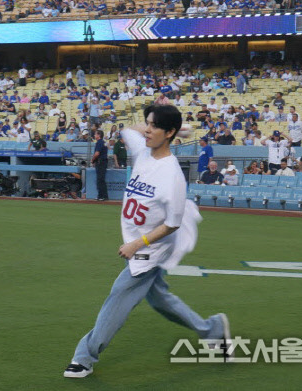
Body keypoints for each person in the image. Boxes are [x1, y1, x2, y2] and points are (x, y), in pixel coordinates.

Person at [64, 104, 230, 378]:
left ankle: (84, 357)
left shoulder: (172, 176)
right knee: (160, 299)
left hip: (151, 249)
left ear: (169, 133)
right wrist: (170, 129)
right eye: (148, 124)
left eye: (154, 126)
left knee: (118, 298)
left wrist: (137, 244)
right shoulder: (144, 151)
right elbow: (129, 129)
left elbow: (172, 223)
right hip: (141, 241)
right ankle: (211, 330)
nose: (148, 130)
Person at [91, 130, 108, 201]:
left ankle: (101, 195)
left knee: (100, 180)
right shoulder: (103, 142)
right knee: (101, 179)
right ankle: (104, 195)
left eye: (95, 134)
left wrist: (92, 160)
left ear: (99, 135)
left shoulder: (99, 142)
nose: (94, 136)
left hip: (100, 162)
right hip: (103, 162)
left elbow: (97, 153)